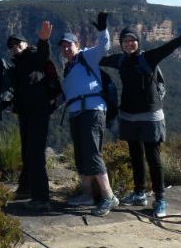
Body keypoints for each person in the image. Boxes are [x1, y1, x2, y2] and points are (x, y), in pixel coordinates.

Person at [100, 27, 181, 218]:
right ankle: (139, 193)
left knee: (154, 158)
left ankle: (160, 199)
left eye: (132, 40)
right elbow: (98, 58)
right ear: (121, 44)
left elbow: (170, 46)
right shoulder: (120, 60)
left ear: (138, 42)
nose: (129, 44)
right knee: (135, 155)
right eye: (125, 41)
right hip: (128, 115)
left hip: (150, 115)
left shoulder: (149, 57)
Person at [60, 12, 119, 217]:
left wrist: (103, 30)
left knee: (93, 153)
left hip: (92, 111)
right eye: (63, 46)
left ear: (77, 45)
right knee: (81, 154)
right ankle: (87, 194)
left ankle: (108, 196)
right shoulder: (68, 67)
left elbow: (104, 46)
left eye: (69, 44)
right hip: (76, 112)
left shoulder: (87, 56)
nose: (66, 48)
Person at [7, 21, 55, 211]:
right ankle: (26, 189)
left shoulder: (32, 56)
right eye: (11, 46)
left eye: (18, 44)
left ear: (26, 44)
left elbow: (43, 55)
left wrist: (44, 40)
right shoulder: (18, 64)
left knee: (35, 153)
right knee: (28, 152)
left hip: (38, 112)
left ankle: (42, 197)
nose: (15, 48)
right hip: (26, 114)